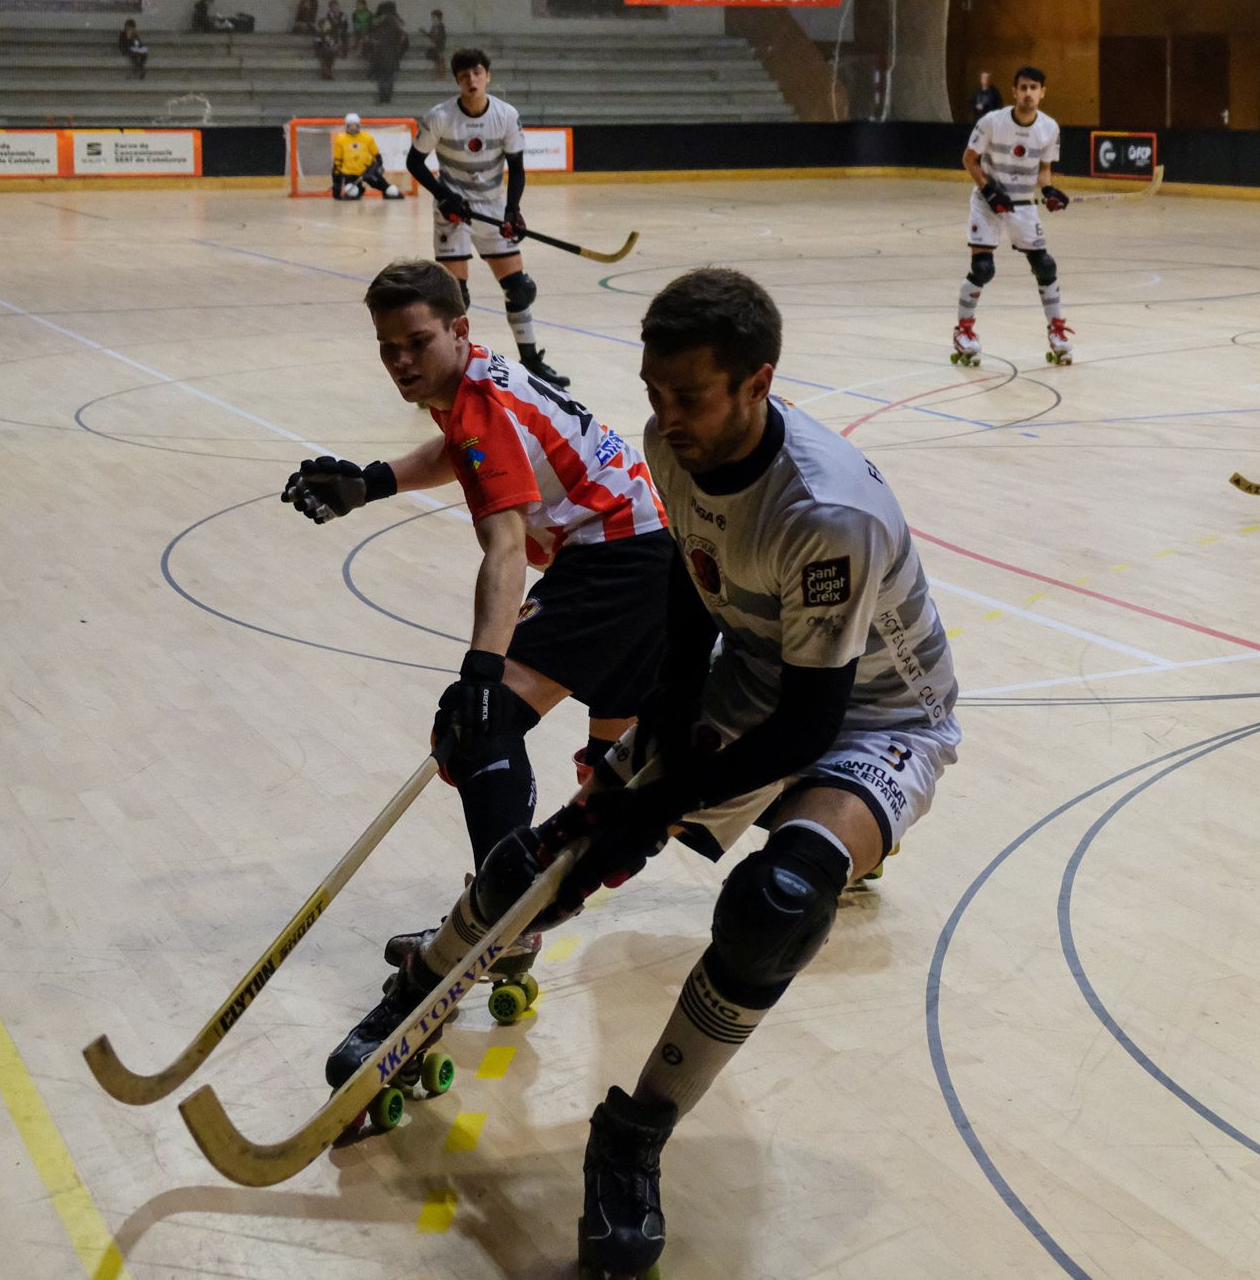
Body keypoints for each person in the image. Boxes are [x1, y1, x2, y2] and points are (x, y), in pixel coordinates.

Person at [324, 266, 959, 1276]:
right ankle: (419, 992)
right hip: (752, 667)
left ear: (757, 383)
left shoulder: (826, 514)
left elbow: (808, 724)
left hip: (877, 712)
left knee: (776, 901)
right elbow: (691, 597)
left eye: (689, 395)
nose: (664, 417)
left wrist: (663, 799)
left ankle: (634, 1134)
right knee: (558, 850)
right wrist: (646, 757)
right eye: (653, 392)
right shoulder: (673, 441)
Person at [281, 258, 673, 1006]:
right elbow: (464, 451)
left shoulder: (479, 405)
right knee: (622, 775)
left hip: (614, 558)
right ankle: (826, 813)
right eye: (387, 347)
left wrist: (482, 673)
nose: (401, 361)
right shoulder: (471, 383)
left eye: (417, 343)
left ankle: (503, 920)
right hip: (642, 551)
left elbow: (504, 548)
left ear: (459, 329)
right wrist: (373, 481)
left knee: (480, 727)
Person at [406, 47, 566, 387]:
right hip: (454, 213)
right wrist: (444, 196)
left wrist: (513, 210)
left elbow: (517, 167)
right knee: (456, 298)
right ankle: (445, 372)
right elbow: (414, 163)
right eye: (464, 75)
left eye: (477, 72)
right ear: (457, 81)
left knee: (520, 289)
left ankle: (531, 362)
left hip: (492, 206)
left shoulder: (506, 115)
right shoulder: (441, 116)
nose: (472, 80)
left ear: (488, 76)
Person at [954, 64, 1072, 367]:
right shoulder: (992, 122)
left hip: (1022, 204)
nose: (1028, 93)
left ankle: (1057, 331)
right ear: (1014, 91)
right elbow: (969, 159)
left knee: (1045, 265)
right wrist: (989, 190)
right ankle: (963, 331)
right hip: (988, 202)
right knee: (983, 269)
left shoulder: (1050, 128)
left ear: (1043, 92)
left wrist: (1049, 191)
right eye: (1023, 88)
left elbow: (1044, 170)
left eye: (1034, 88)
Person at [329, 113, 403, 201]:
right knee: (352, 192)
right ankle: (359, 189)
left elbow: (378, 157)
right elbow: (337, 162)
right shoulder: (340, 139)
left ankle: (386, 190)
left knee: (392, 192)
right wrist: (336, 185)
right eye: (350, 126)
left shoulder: (367, 137)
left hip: (368, 171)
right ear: (346, 126)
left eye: (355, 125)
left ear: (359, 125)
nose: (353, 128)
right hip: (350, 174)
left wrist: (373, 170)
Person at [366, 0, 408, 104]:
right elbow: (403, 38)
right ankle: (387, 98)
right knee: (389, 78)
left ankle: (382, 98)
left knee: (381, 79)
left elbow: (370, 38)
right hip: (392, 56)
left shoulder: (378, 24)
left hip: (380, 56)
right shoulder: (396, 24)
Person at [424, 9, 448, 79]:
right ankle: (436, 71)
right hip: (434, 47)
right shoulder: (433, 26)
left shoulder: (441, 27)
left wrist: (434, 42)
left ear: (438, 18)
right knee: (431, 56)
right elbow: (431, 35)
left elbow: (440, 38)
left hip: (439, 47)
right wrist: (425, 33)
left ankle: (438, 73)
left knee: (438, 58)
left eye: (434, 17)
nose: (432, 19)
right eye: (432, 17)